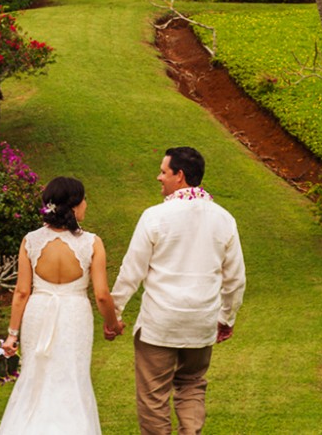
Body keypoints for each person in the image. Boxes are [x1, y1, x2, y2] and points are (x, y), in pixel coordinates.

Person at [107, 146, 247, 435]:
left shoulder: (155, 216)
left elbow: (132, 269)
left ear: (179, 175)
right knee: (192, 384)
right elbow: (235, 278)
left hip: (161, 322)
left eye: (163, 171)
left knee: (153, 395)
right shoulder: (224, 219)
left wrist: (114, 313)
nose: (159, 177)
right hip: (201, 321)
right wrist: (226, 318)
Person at [0, 177, 124, 435]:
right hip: (74, 314)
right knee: (72, 378)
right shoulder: (91, 243)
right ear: (74, 206)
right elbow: (101, 294)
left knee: (35, 376)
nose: (86, 205)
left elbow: (22, 292)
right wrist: (112, 324)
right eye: (84, 199)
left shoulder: (30, 241)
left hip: (38, 311)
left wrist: (12, 335)